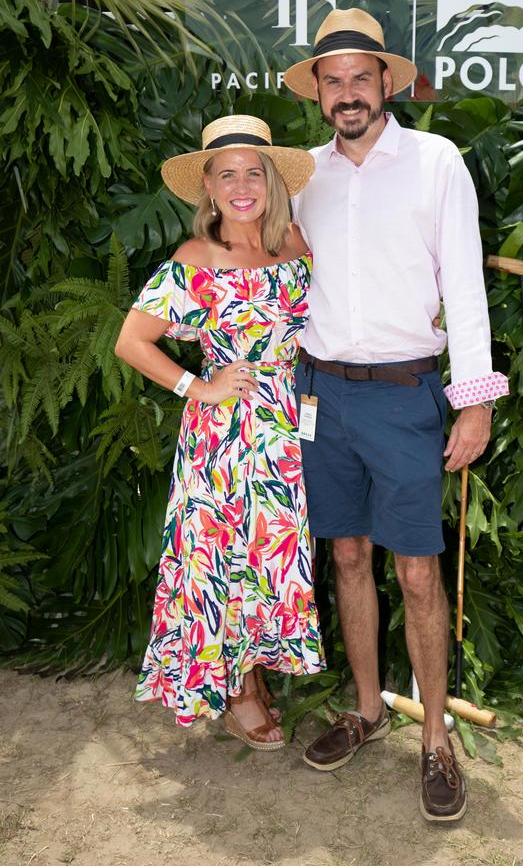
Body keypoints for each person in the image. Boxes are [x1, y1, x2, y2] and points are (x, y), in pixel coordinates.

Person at [283, 9, 508, 819]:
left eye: (361, 78)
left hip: (407, 395)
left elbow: (467, 291)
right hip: (321, 394)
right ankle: (370, 711)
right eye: (331, 81)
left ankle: (437, 740)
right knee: (346, 557)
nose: (347, 93)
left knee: (415, 571)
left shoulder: (435, 162)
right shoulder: (302, 175)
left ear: (389, 82)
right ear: (317, 94)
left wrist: (473, 403)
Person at [115, 115, 324, 750]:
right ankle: (234, 692)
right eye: (226, 173)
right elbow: (131, 341)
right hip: (223, 436)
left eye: (252, 172)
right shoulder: (195, 260)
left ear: (271, 181)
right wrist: (197, 385)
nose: (240, 185)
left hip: (288, 430)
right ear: (207, 185)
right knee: (220, 558)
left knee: (267, 556)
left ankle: (254, 676)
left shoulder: (293, 240)